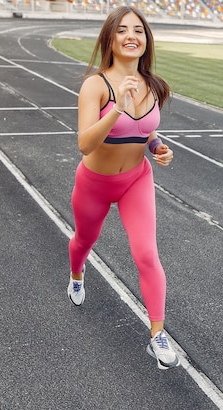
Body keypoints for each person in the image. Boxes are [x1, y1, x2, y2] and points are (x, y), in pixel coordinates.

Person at [67, 6, 179, 370]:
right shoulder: (96, 85)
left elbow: (146, 131)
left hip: (136, 180)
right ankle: (77, 275)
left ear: (146, 41)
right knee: (84, 241)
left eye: (139, 31)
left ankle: (158, 335)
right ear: (110, 39)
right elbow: (85, 143)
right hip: (95, 183)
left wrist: (158, 148)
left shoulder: (156, 86)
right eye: (123, 30)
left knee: (146, 253)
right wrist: (117, 107)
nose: (132, 36)